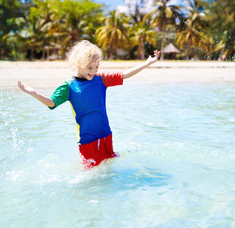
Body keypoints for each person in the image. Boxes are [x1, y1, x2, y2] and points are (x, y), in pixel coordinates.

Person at [18, 40, 160, 168]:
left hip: (106, 135)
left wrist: (147, 63)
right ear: (78, 64)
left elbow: (125, 74)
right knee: (91, 175)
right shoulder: (69, 86)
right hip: (88, 140)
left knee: (109, 169)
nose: (93, 71)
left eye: (96, 67)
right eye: (89, 67)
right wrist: (34, 94)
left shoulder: (101, 79)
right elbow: (52, 103)